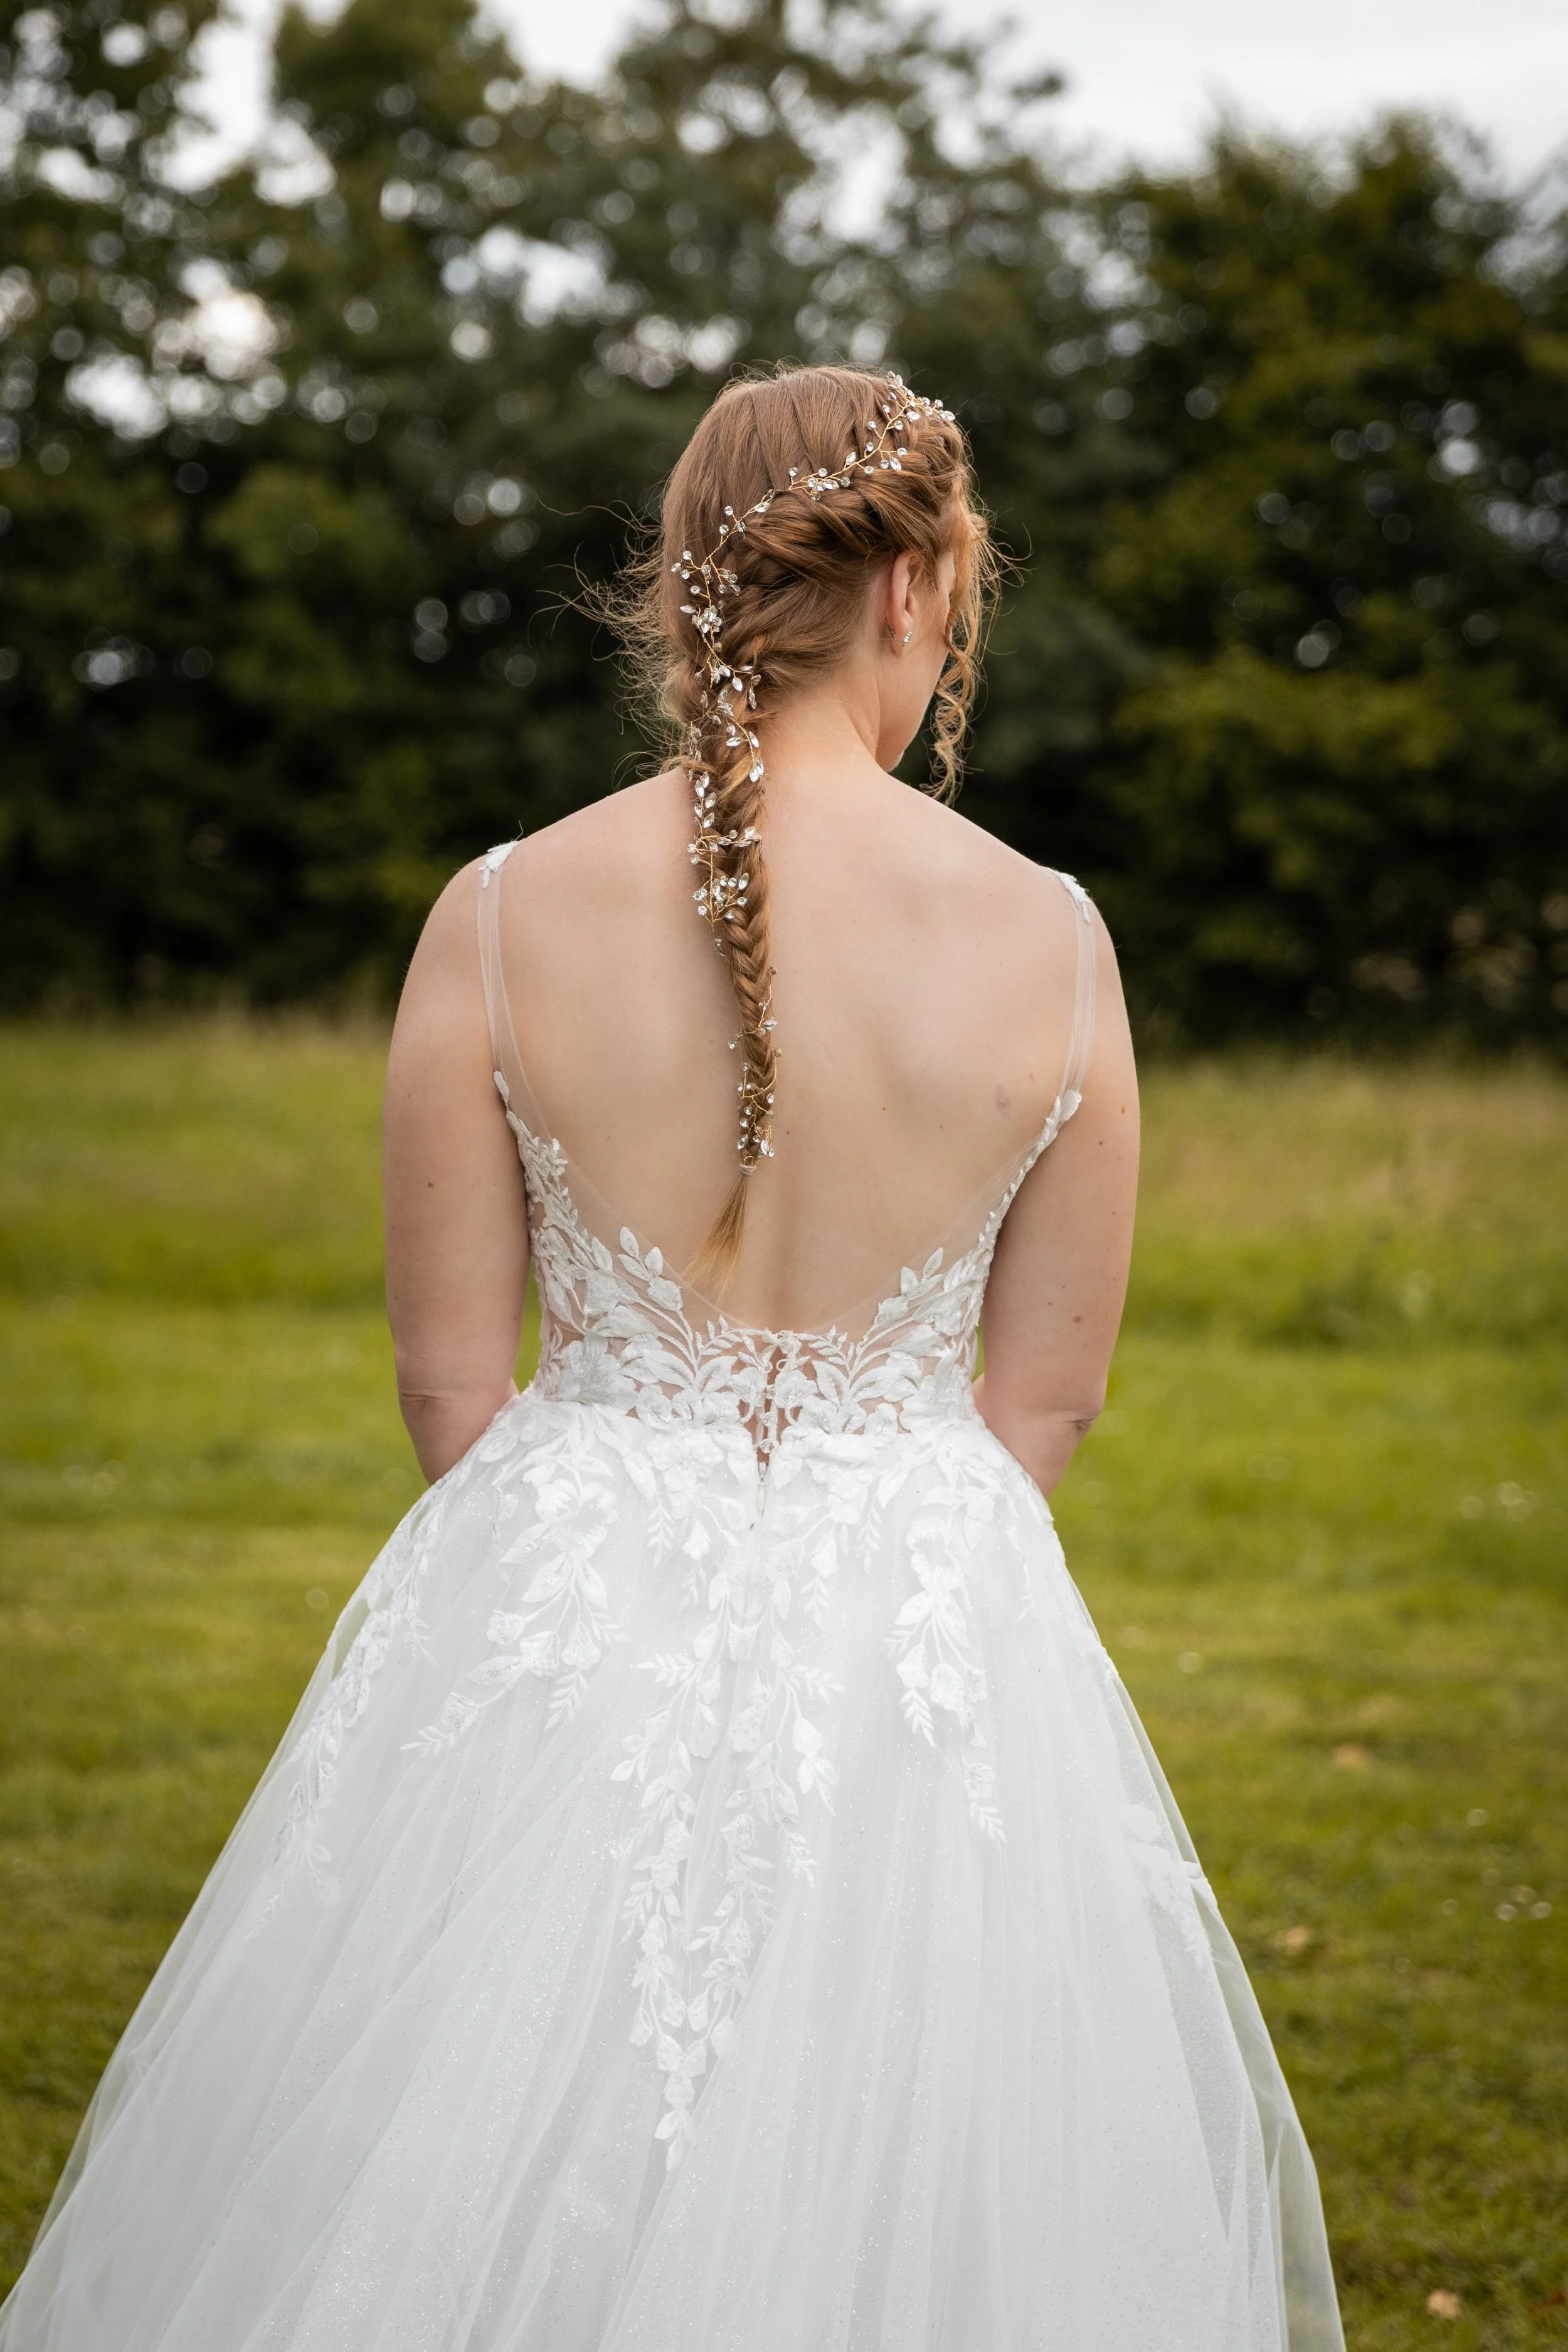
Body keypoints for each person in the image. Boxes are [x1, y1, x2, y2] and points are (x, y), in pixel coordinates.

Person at [0, 364, 1344, 2351]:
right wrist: (869, 1567)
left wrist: (595, 1571)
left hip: (559, 1596)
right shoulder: (1052, 935)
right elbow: (1045, 1397)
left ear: (692, 589)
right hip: (920, 1613)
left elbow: (453, 1383)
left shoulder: (495, 910)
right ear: (908, 591)